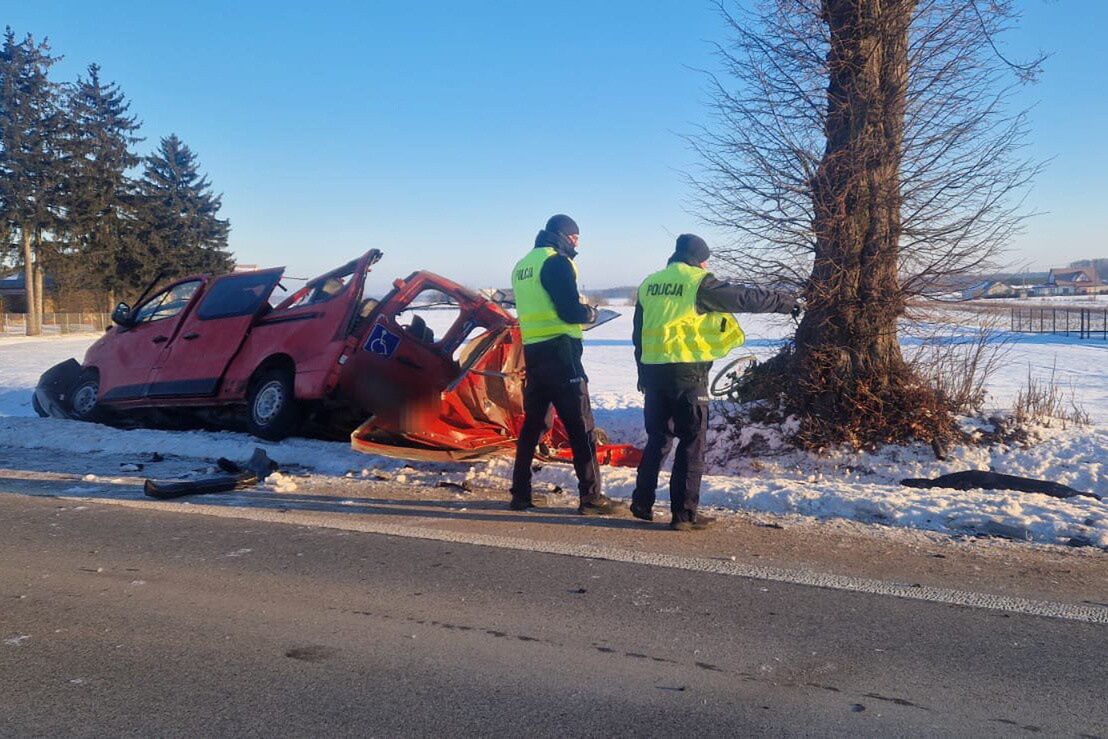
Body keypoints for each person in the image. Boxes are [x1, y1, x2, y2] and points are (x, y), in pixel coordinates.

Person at [631, 234, 800, 531]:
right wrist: (784, 303)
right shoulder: (698, 282)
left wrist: (642, 375)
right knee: (691, 443)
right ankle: (683, 515)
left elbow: (638, 335)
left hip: (654, 375)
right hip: (687, 374)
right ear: (699, 258)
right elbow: (743, 297)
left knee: (658, 438)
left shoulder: (649, 284)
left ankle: (641, 502)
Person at [509, 214, 625, 515]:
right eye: (575, 238)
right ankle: (591, 498)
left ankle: (520, 493)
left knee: (533, 424)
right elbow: (569, 311)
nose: (576, 244)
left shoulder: (522, 266)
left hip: (534, 353)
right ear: (565, 236)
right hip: (562, 354)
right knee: (580, 426)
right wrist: (588, 313)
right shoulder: (556, 262)